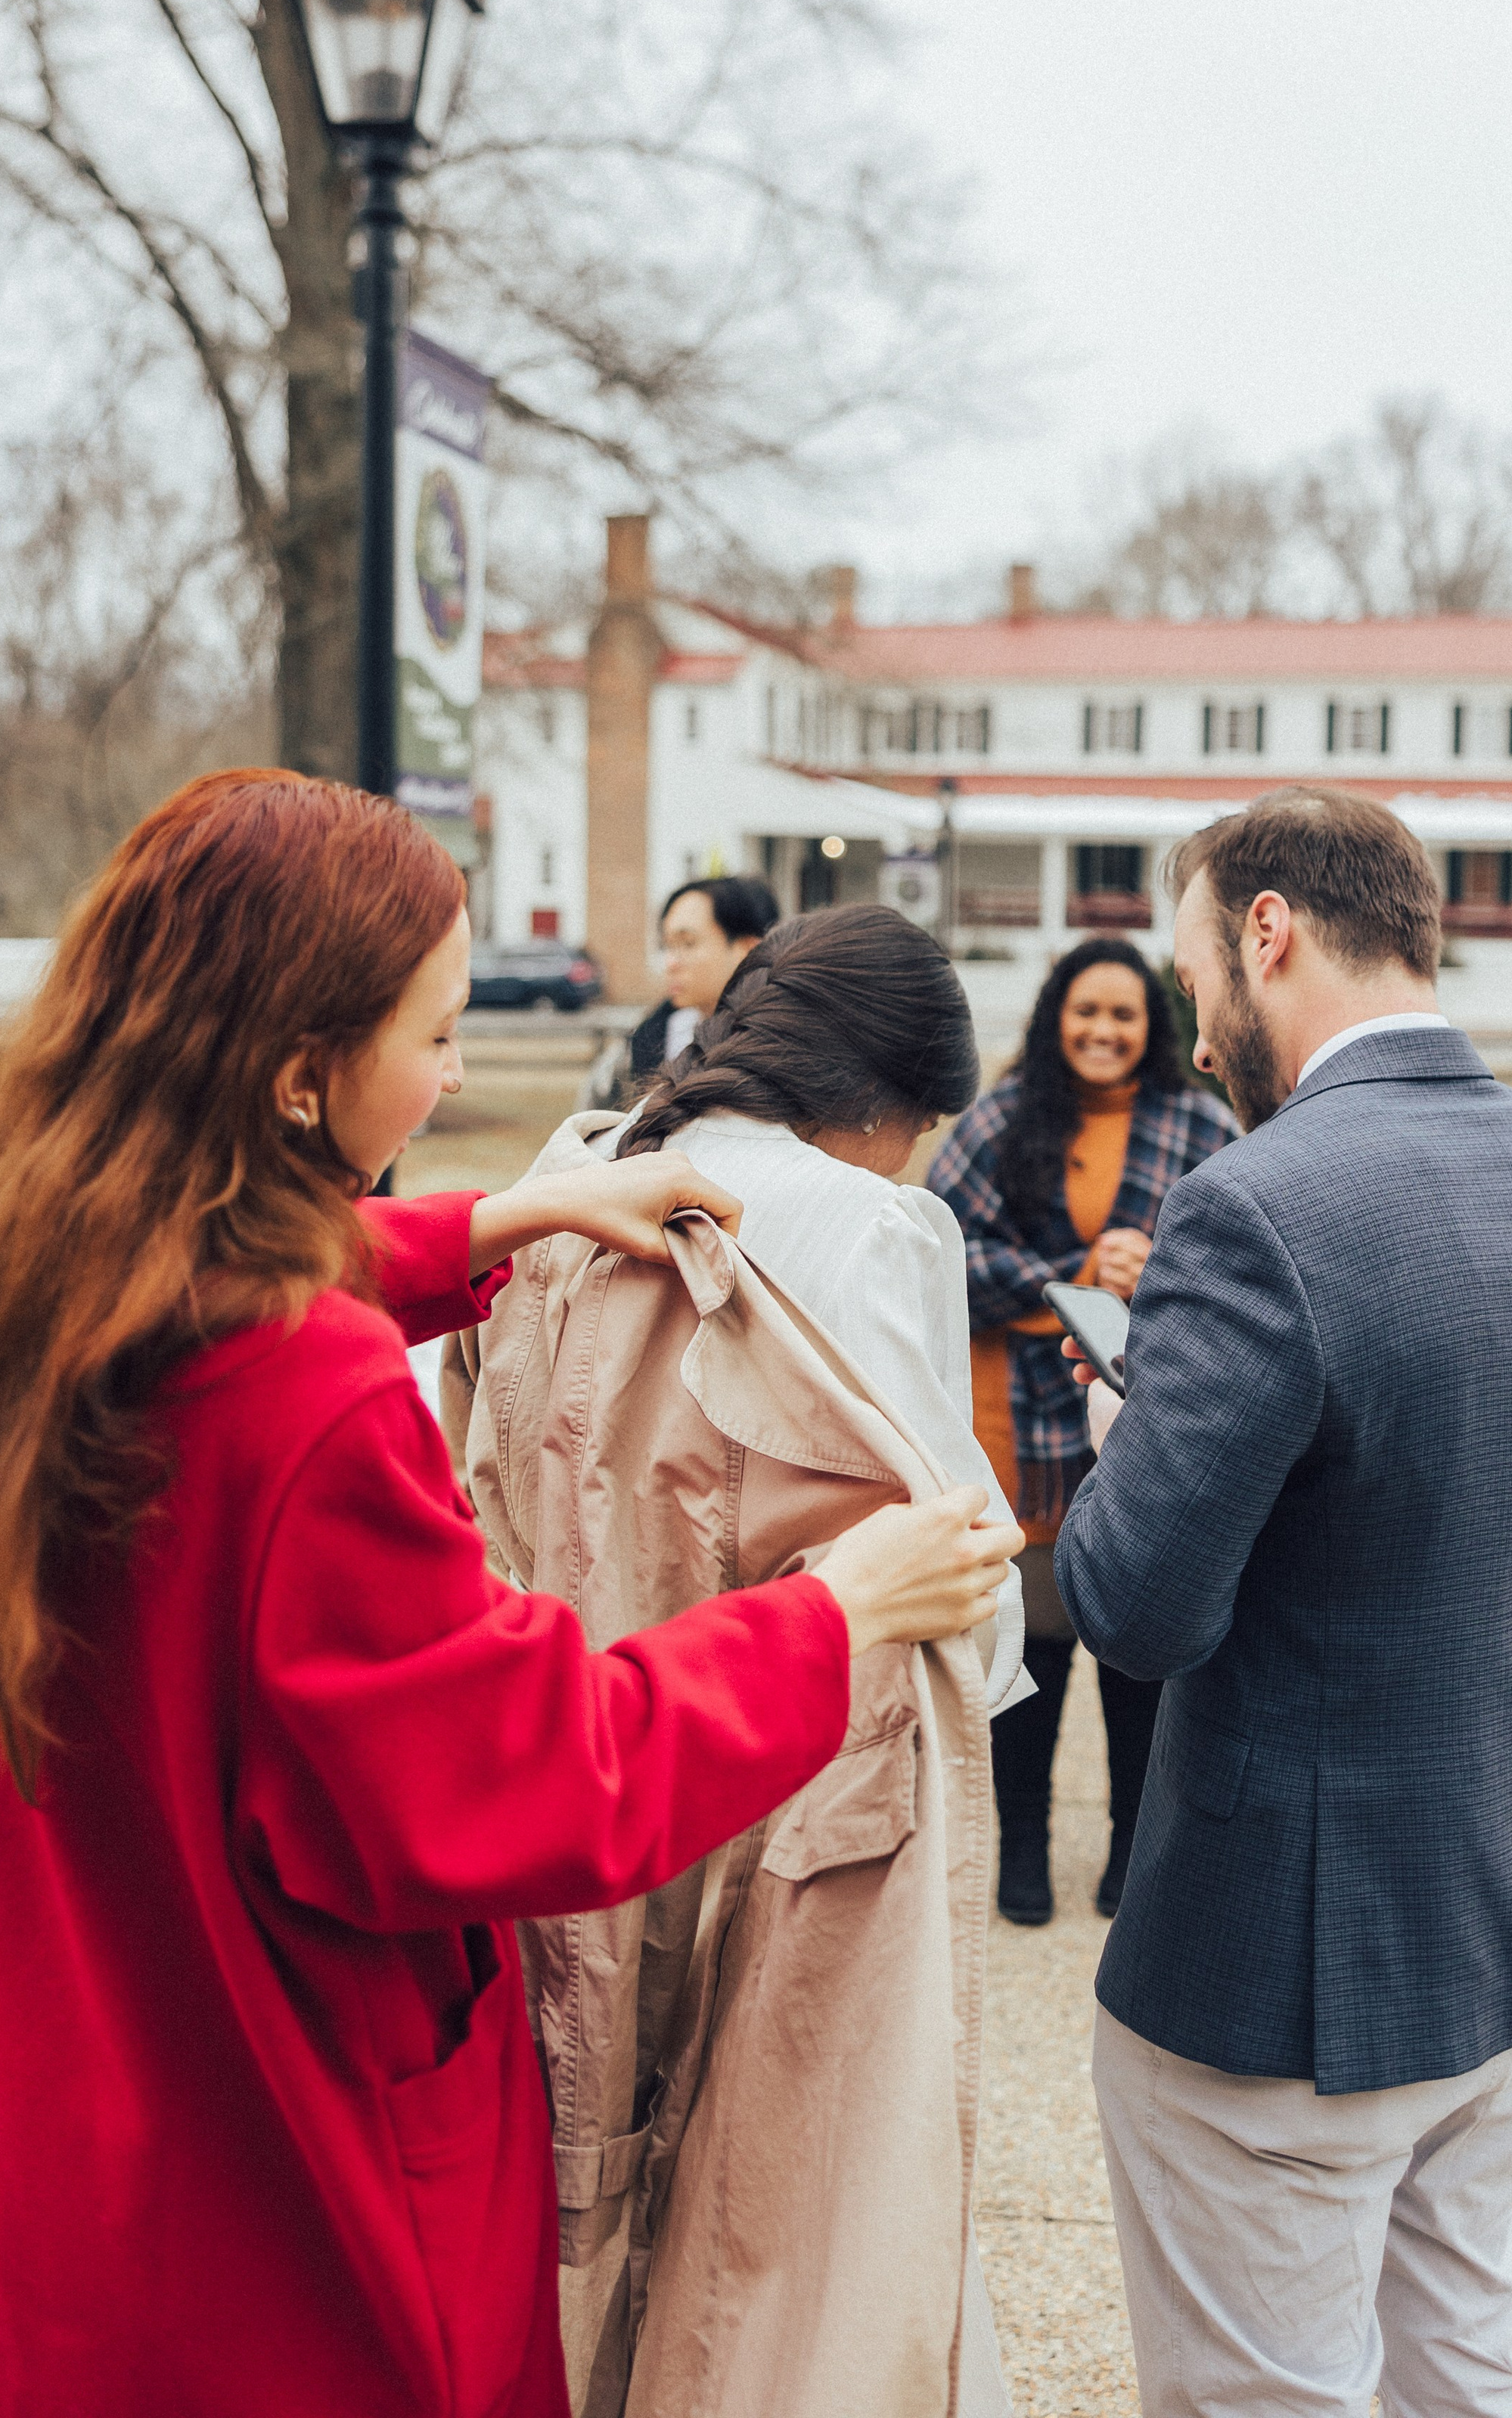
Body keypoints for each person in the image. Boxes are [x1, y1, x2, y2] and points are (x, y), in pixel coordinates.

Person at [0, 771, 1015, 2418]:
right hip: (289, 2221)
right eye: (439, 1035)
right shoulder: (309, 1404)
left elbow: (217, 1281)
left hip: (93, 2150)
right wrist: (835, 1615)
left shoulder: (41, 1267)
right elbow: (545, 1768)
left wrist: (498, 1213)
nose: (461, 1074)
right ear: (294, 1071)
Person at [1055, 788, 1512, 2418]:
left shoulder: (1252, 1207)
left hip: (1282, 1970)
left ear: (1266, 932)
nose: (1189, 1035)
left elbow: (1135, 1608)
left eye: (1189, 980)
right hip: (1496, 1906)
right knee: (1464, 2366)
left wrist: (1123, 1436)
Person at [608, 899, 1026, 2417]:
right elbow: (943, 1534)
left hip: (596, 1710)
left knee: (596, 2143)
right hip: (807, 1738)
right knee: (800, 2199)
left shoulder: (582, 1170)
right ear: (894, 1103)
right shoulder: (869, 1225)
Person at [927, 938, 1233, 1925]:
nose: (1103, 1031)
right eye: (1086, 1012)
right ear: (1057, 1016)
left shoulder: (1201, 1126)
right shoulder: (999, 1120)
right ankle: (1023, 1856)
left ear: (1155, 1029)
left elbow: (1244, 1269)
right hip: (1017, 1432)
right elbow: (936, 1254)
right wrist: (1068, 1277)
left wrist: (1160, 1275)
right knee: (1036, 1651)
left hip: (1153, 1429)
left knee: (1139, 1655)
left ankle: (1131, 1860)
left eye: (1125, 1015)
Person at [627, 874, 778, 1079]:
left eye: (688, 943)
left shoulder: (781, 1047)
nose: (671, 963)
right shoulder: (656, 1038)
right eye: (667, 946)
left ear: (748, 949)